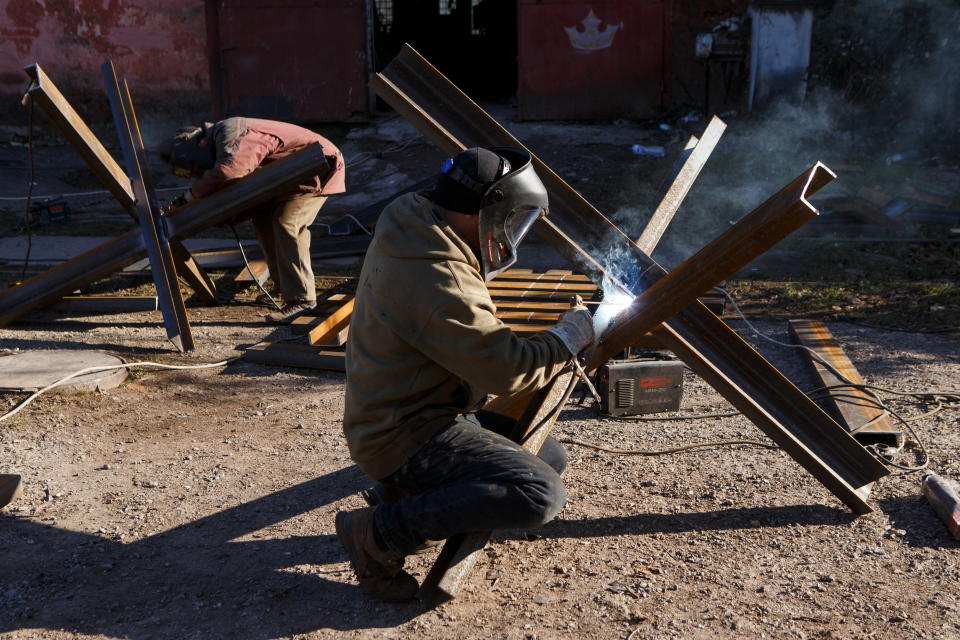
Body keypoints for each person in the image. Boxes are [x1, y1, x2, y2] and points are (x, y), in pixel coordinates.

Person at [336, 146, 595, 601]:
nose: (513, 231)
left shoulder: (415, 220)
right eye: (515, 219)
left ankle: (406, 499)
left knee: (546, 452)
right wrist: (567, 339)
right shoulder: (436, 274)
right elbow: (508, 372)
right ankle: (377, 533)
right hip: (403, 433)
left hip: (419, 408)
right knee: (539, 492)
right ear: (484, 213)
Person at [159, 117, 346, 323]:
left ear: (200, 143)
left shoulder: (231, 133)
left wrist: (187, 198)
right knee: (264, 223)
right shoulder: (222, 142)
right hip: (285, 179)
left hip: (315, 168)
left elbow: (229, 172)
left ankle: (302, 299)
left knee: (288, 223)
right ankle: (284, 289)